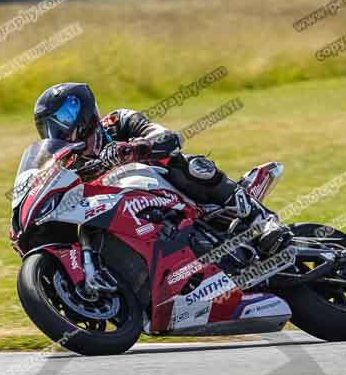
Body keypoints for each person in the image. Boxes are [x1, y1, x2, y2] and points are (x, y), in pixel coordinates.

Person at [33, 82, 291, 256]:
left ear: (82, 111)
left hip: (168, 191)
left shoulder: (118, 121)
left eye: (61, 120)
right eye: (49, 128)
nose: (57, 131)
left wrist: (134, 149)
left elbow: (170, 138)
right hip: (128, 215)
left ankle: (264, 221)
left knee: (191, 165)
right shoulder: (67, 162)